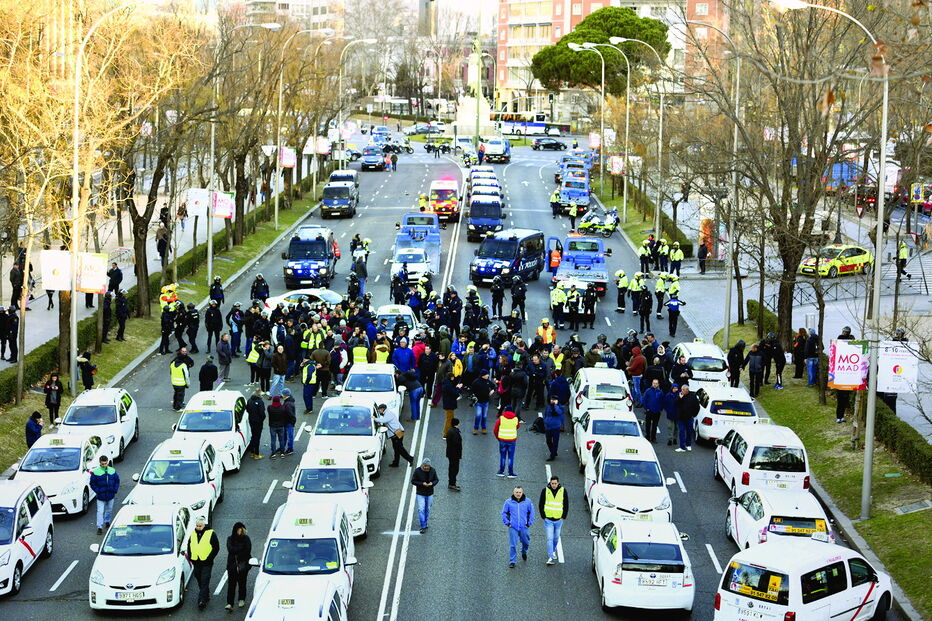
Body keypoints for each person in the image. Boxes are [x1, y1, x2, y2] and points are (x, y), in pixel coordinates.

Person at [188, 517, 221, 610]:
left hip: (207, 562)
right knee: (199, 579)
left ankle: (201, 601)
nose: (198, 527)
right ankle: (205, 595)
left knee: (204, 580)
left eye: (200, 526)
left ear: (204, 525)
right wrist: (191, 557)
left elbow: (216, 548)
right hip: (196, 562)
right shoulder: (193, 533)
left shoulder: (211, 533)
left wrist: (209, 558)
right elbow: (189, 545)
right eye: (197, 526)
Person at [501, 486, 535, 568]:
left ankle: (524, 551)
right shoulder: (508, 502)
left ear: (522, 493)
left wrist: (529, 523)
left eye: (520, 492)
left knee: (526, 542)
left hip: (524, 527)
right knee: (513, 544)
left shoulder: (528, 502)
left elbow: (532, 513)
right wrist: (507, 523)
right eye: (516, 492)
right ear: (513, 493)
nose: (518, 494)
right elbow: (504, 513)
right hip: (513, 527)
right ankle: (512, 561)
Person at [539, 476, 568, 565]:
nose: (554, 485)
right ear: (550, 483)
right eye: (552, 483)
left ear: (558, 483)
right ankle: (550, 556)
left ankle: (553, 549)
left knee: (556, 538)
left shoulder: (563, 491)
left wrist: (563, 516)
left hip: (558, 520)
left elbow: (566, 504)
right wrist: (543, 516)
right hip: (548, 520)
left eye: (555, 483)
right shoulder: (545, 491)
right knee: (549, 538)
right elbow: (541, 503)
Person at [89, 455, 119, 535]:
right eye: (102, 464)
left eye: (105, 463)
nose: (104, 465)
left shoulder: (112, 470)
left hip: (110, 495)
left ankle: (107, 521)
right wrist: (98, 491)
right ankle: (99, 527)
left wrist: (115, 490)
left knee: (109, 510)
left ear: (107, 462)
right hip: (101, 496)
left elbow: (117, 480)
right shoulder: (96, 472)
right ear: (100, 463)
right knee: (100, 511)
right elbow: (92, 483)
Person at [225, 522, 251, 611]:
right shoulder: (230, 539)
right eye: (238, 529)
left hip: (243, 565)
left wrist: (237, 551)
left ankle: (241, 599)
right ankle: (230, 603)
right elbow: (230, 549)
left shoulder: (246, 539)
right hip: (232, 566)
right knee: (231, 585)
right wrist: (240, 548)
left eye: (241, 529)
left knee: (242, 583)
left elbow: (247, 550)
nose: (240, 531)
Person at [411, 458, 439, 534]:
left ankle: (425, 522)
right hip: (420, 493)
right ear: (422, 465)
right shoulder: (417, 471)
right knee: (421, 509)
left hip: (429, 493)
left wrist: (432, 483)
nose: (426, 468)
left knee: (427, 509)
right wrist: (421, 483)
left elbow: (436, 480)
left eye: (428, 467)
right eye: (425, 466)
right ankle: (423, 525)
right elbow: (413, 481)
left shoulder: (432, 470)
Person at [494, 407, 521, 478]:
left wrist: (498, 438)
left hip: (502, 440)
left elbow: (495, 429)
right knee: (510, 457)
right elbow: (518, 426)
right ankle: (510, 473)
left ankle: (501, 471)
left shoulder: (501, 418)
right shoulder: (515, 419)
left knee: (503, 456)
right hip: (512, 440)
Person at [675, 383, 700, 452]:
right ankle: (682, 447)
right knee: (682, 431)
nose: (682, 391)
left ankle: (688, 445)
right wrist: (680, 398)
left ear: (687, 390)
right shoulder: (679, 395)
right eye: (681, 389)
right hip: (681, 418)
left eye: (683, 390)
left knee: (689, 432)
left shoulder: (693, 396)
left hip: (689, 417)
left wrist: (694, 415)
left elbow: (697, 407)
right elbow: (676, 404)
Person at [471, 369, 495, 434]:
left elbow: (494, 386)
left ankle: (483, 428)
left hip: (486, 402)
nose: (488, 375)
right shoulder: (476, 382)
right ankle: (475, 429)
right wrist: (474, 396)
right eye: (487, 374)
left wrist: (492, 391)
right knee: (478, 415)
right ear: (483, 375)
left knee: (484, 416)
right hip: (478, 402)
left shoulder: (488, 381)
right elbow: (472, 389)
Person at [542, 396, 565, 461]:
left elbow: (559, 412)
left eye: (554, 400)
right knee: (548, 441)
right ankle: (553, 451)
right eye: (551, 399)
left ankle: (552, 455)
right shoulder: (548, 407)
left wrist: (555, 405)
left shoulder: (560, 407)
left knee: (555, 442)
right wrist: (545, 422)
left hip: (556, 427)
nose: (552, 401)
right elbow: (545, 415)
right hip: (548, 427)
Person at [246, 389, 265, 459]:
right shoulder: (260, 402)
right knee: (257, 437)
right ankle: (256, 454)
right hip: (258, 422)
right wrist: (262, 419)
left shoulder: (249, 400)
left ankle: (252, 452)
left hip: (251, 420)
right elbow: (262, 413)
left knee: (253, 436)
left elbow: (247, 409)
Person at [441, 373, 461, 439]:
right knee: (449, 419)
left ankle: (449, 432)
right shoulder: (448, 385)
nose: (453, 378)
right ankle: (446, 433)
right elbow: (454, 393)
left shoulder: (446, 383)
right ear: (450, 377)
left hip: (447, 403)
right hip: (450, 403)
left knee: (450, 418)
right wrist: (458, 388)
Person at [446, 417, 463, 491]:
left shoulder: (450, 430)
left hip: (450, 453)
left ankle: (451, 483)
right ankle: (452, 484)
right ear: (457, 424)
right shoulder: (455, 432)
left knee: (451, 468)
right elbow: (457, 444)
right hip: (455, 454)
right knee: (455, 469)